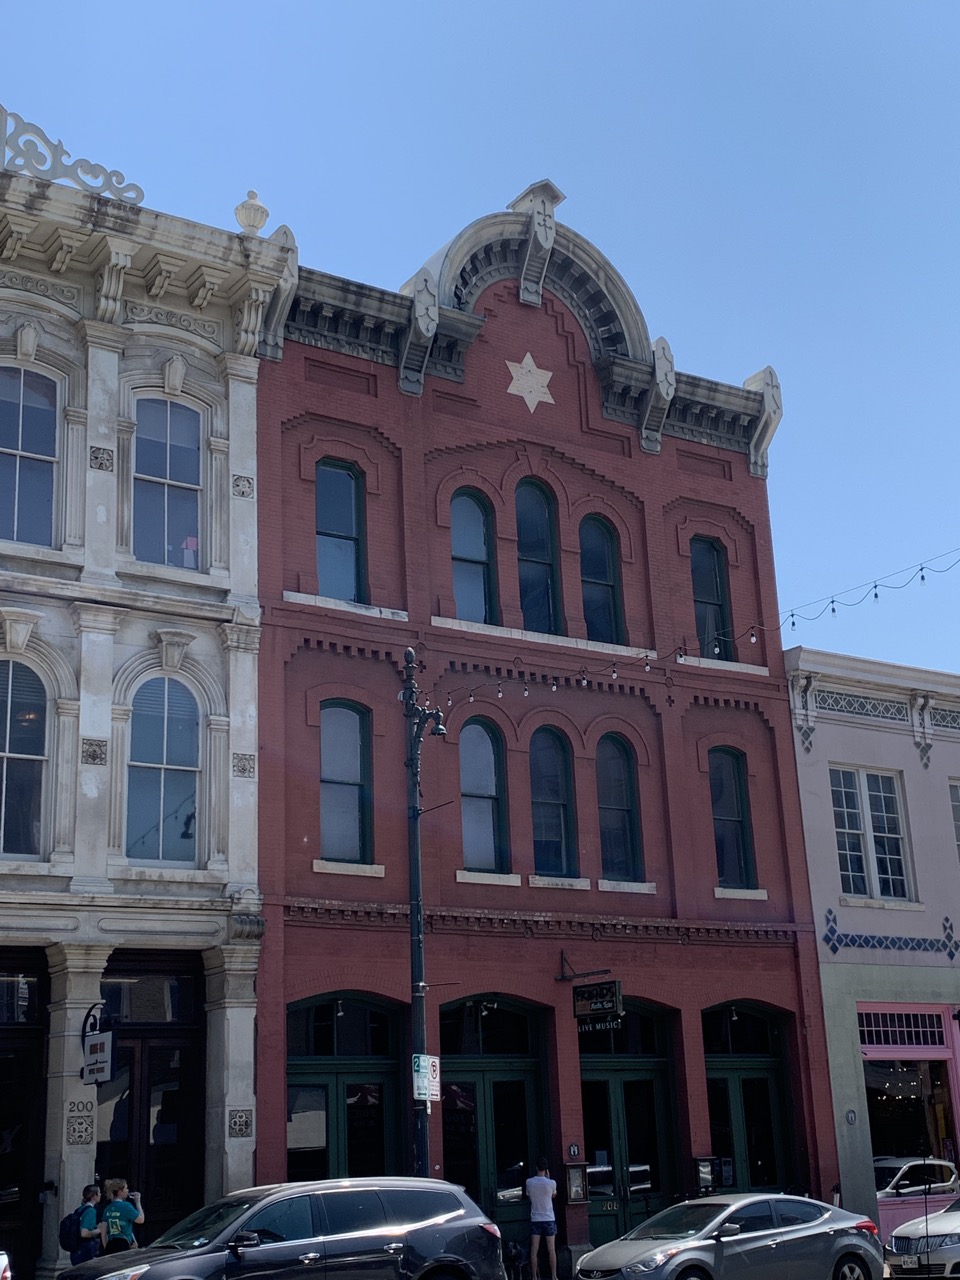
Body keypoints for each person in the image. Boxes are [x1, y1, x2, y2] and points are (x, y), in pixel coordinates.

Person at [525, 1156, 558, 1280]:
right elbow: (554, 1195)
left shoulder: (529, 1182)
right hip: (549, 1218)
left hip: (535, 1219)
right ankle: (554, 1276)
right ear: (546, 1169)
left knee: (534, 1249)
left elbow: (529, 1196)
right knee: (551, 1250)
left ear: (536, 1167)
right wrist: (548, 1179)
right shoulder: (551, 1183)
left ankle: (534, 1276)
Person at [100, 1178, 144, 1253]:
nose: (127, 1190)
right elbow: (141, 1220)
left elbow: (103, 1233)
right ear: (120, 1192)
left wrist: (106, 1247)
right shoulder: (126, 1206)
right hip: (124, 1244)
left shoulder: (107, 1209)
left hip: (111, 1243)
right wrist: (137, 1202)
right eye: (126, 1188)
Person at [71, 1184, 102, 1265]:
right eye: (99, 1193)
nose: (100, 1195)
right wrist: (99, 1230)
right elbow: (84, 1233)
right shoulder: (91, 1211)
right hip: (85, 1250)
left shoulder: (79, 1210)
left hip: (76, 1249)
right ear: (94, 1196)